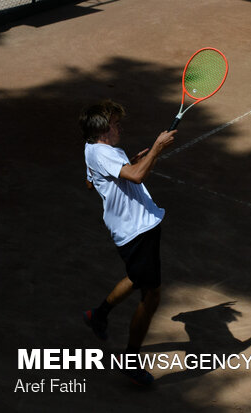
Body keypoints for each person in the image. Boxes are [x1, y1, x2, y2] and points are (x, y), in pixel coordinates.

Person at [79, 100, 176, 385]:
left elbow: (91, 182)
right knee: (152, 294)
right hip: (137, 232)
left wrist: (127, 164)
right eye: (116, 124)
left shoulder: (93, 151)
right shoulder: (103, 152)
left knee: (136, 277)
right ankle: (130, 361)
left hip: (137, 228)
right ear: (103, 131)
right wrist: (157, 148)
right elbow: (136, 176)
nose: (120, 127)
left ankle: (98, 315)